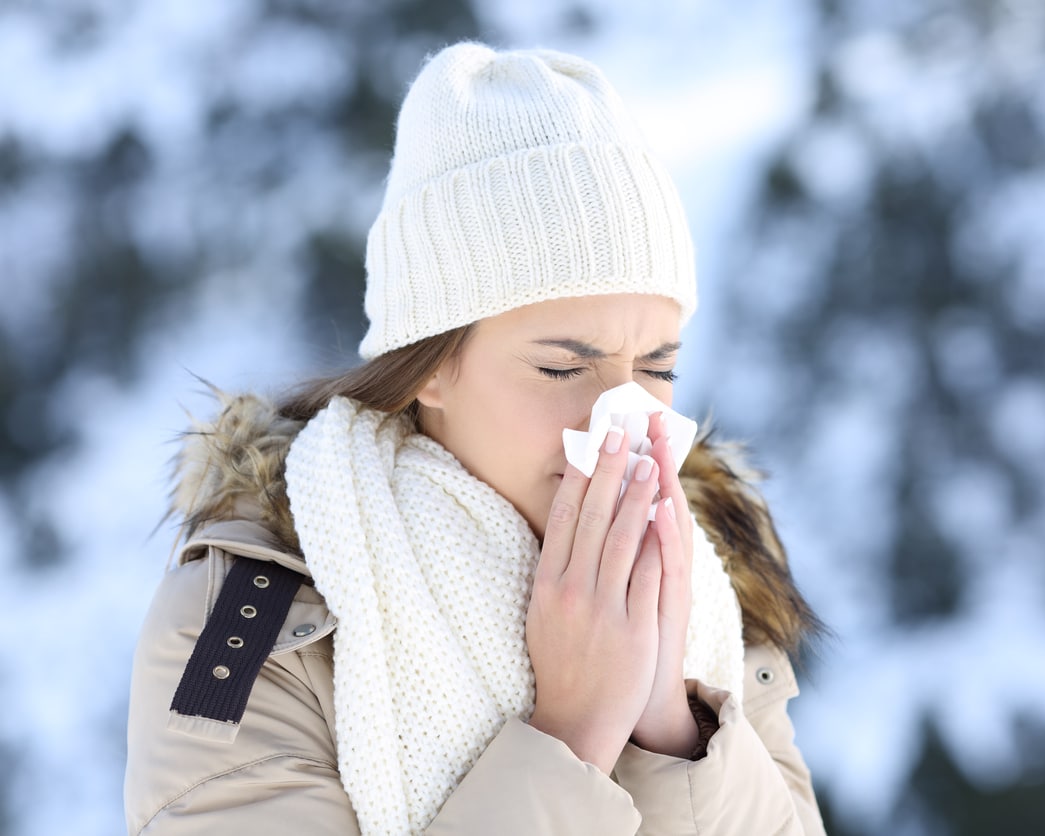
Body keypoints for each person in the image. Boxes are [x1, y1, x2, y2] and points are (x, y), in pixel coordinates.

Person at [124, 41, 826, 835]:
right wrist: (573, 733)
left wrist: (669, 724)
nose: (623, 422)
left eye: (657, 367)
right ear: (430, 365)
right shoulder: (250, 621)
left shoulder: (706, 583)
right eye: (563, 368)